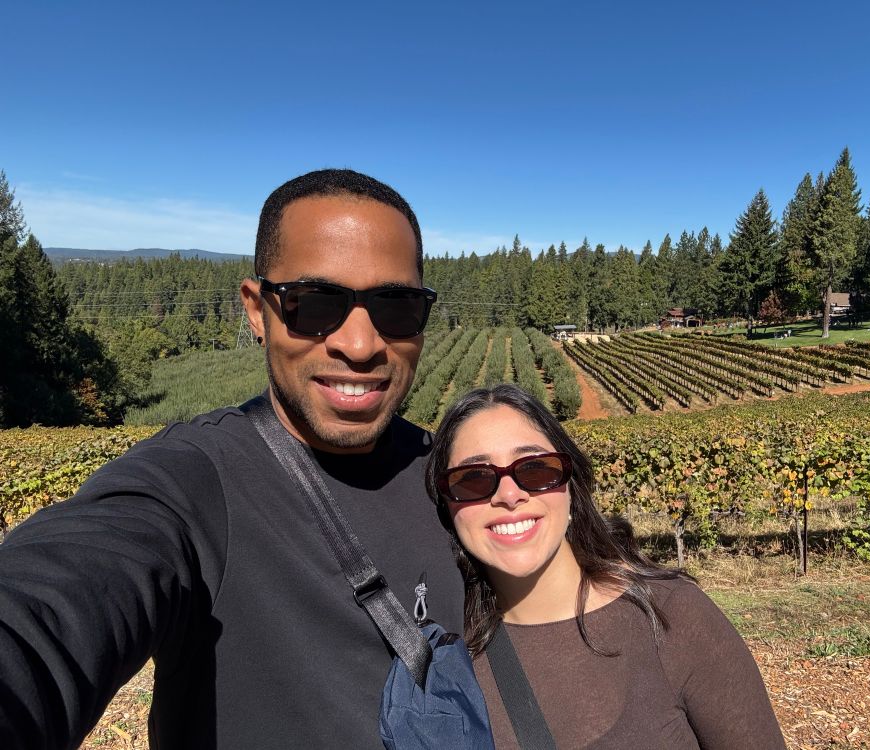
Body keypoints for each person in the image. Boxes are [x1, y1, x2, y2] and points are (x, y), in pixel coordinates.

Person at [0, 169, 464, 749]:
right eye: (315, 304)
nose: (360, 344)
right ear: (256, 310)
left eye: (395, 306)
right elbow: (51, 604)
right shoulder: (193, 481)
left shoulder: (459, 477)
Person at [427, 384, 787, 749]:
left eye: (535, 469)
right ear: (447, 506)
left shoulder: (670, 617)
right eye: (473, 479)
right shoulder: (447, 660)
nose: (509, 495)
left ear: (571, 486)